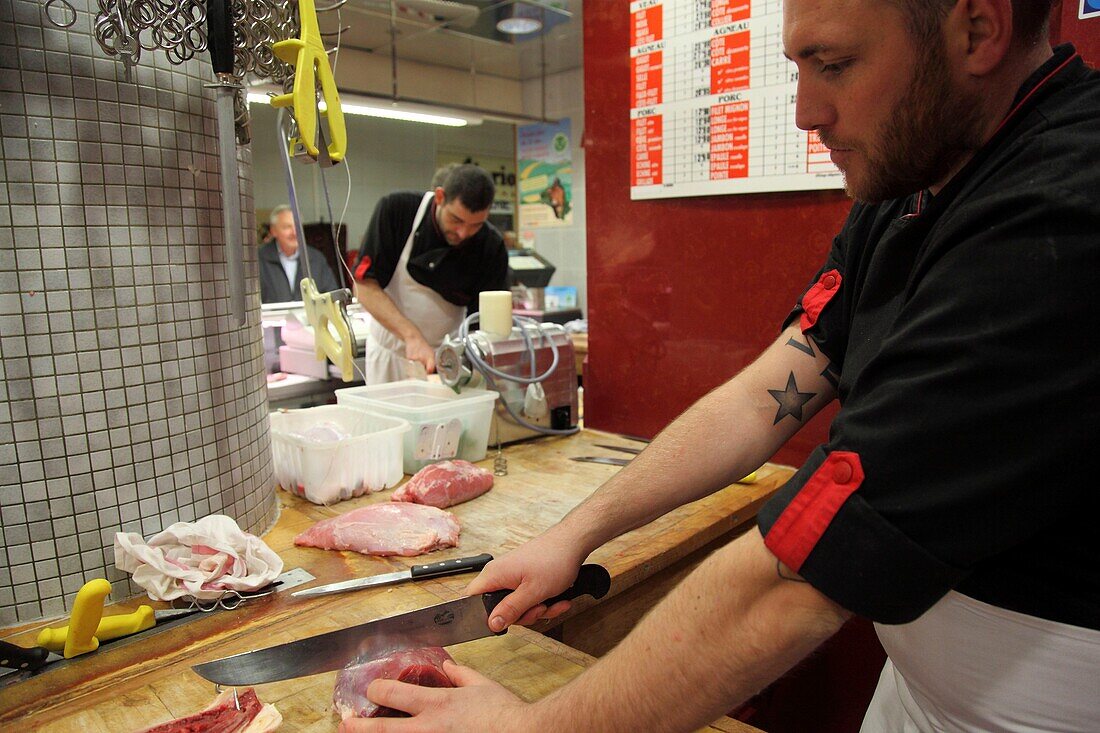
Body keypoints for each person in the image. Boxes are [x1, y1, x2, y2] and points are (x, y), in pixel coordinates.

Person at [341, 1, 1099, 731]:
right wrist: (574, 534)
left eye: (833, 63)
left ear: (978, 27)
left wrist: (533, 728)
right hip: (919, 701)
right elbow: (764, 396)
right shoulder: (913, 182)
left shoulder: (1062, 208)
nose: (805, 112)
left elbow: (797, 583)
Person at [353, 164, 508, 383]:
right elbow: (364, 287)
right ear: (440, 197)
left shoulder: (491, 247)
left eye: (475, 225)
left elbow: (483, 325)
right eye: (456, 220)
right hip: (390, 357)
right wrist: (411, 336)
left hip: (447, 363)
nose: (463, 233)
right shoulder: (397, 211)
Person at [258, 205, 341, 303]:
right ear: (273, 231)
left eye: (297, 226)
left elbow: (332, 296)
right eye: (287, 227)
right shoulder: (258, 259)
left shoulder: (316, 259)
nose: (294, 232)